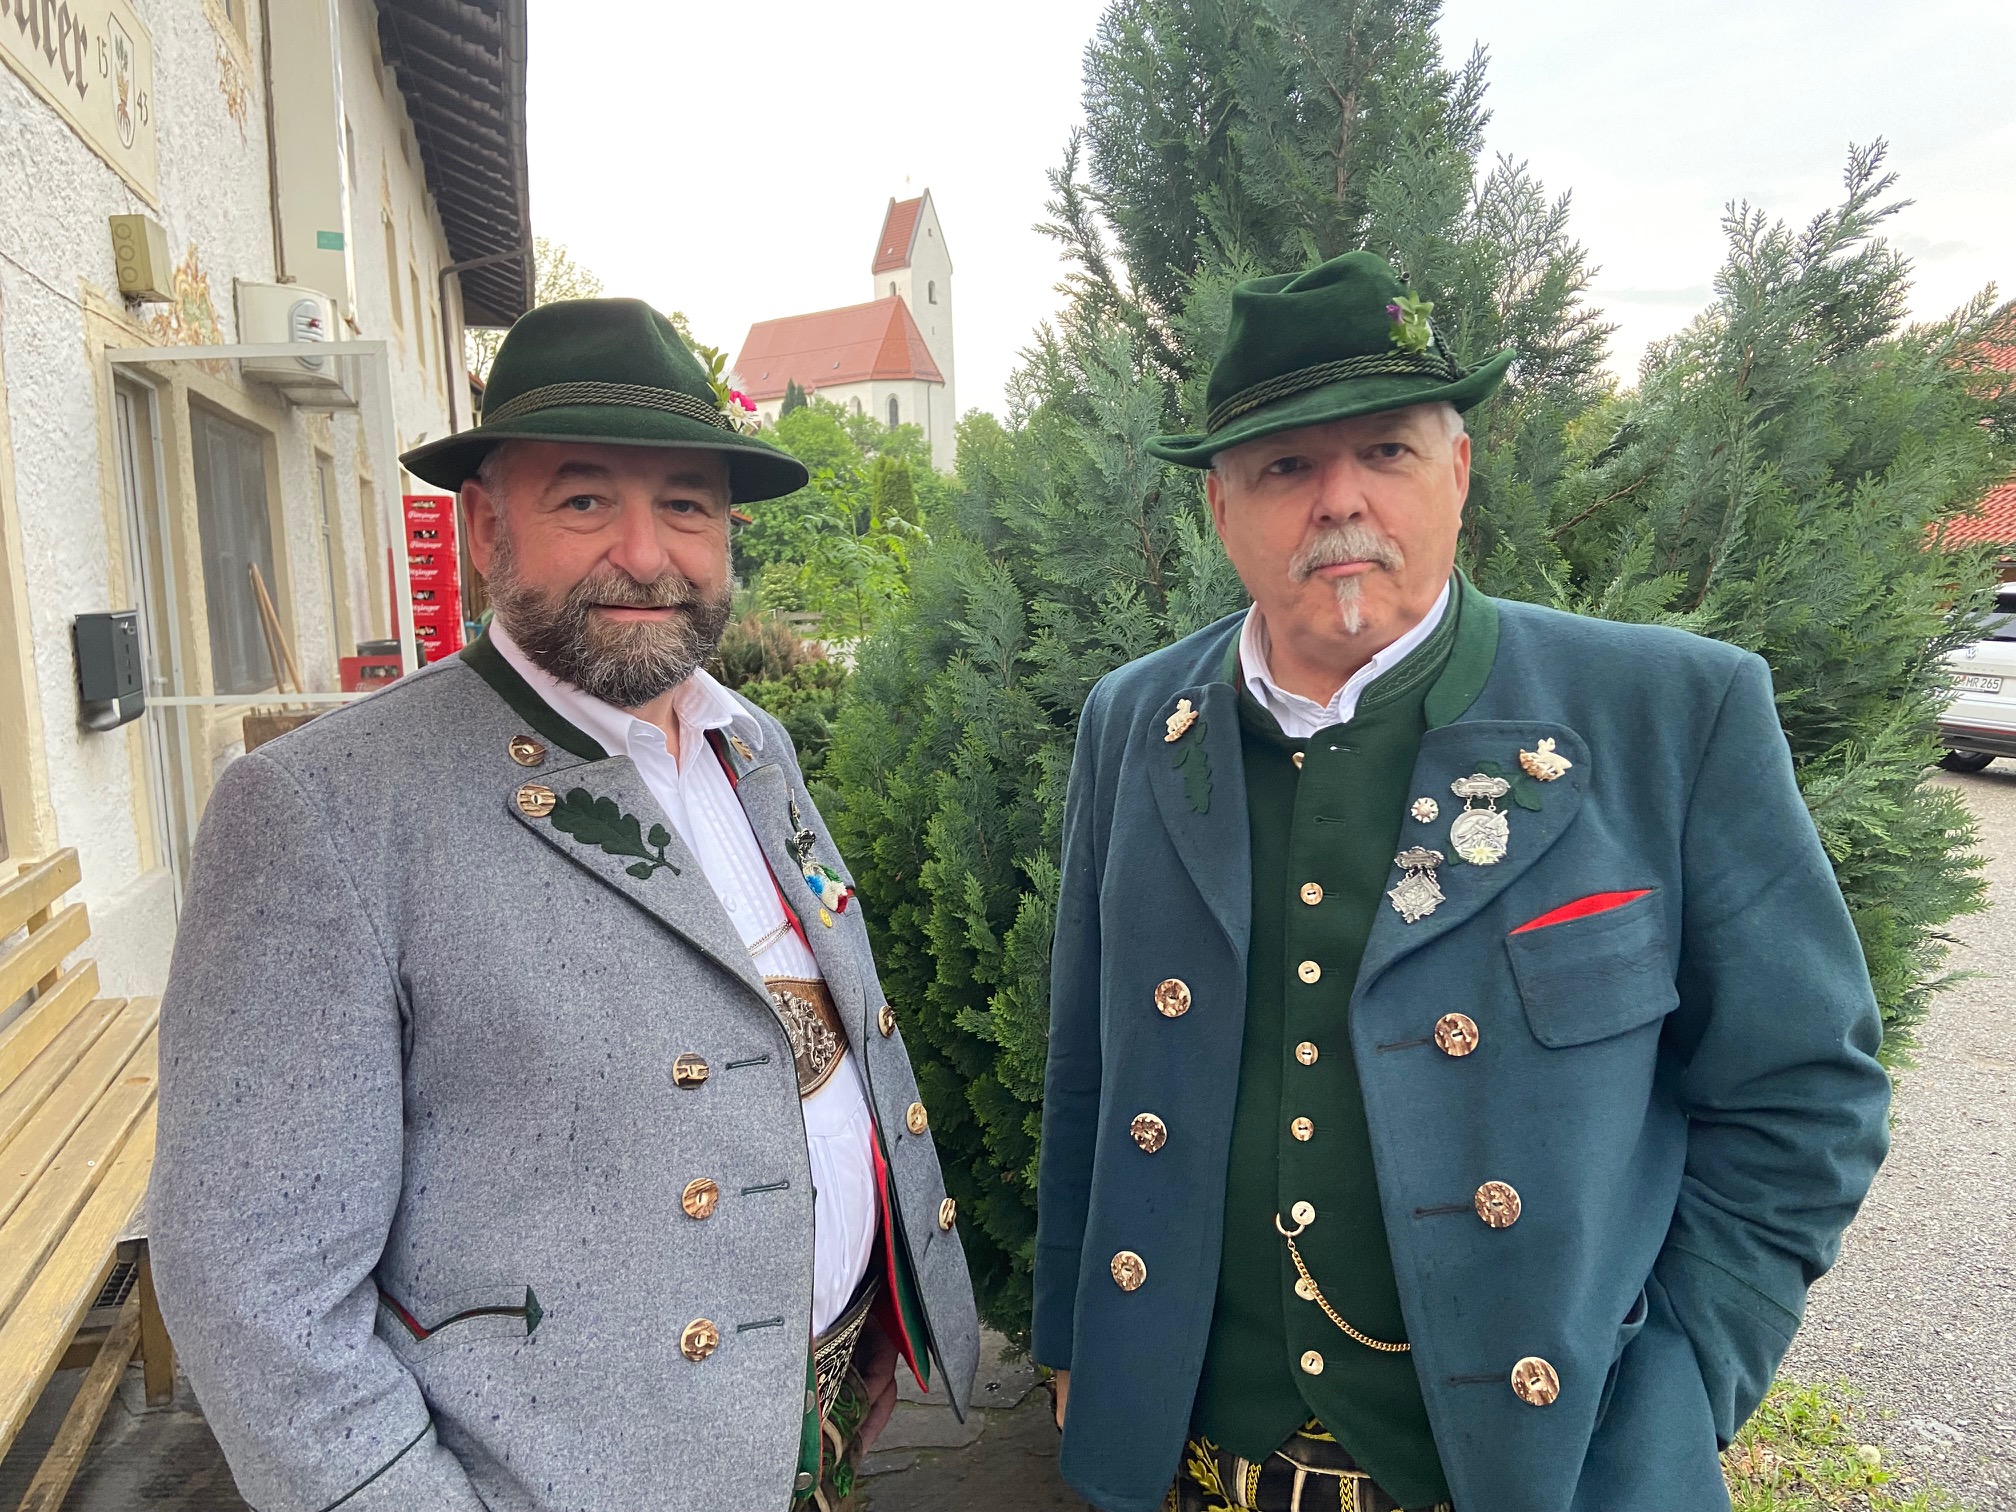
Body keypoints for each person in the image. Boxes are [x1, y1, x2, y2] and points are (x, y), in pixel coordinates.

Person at [1032, 252, 1890, 1512]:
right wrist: (1072, 1338)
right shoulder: (1134, 719)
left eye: (1386, 451)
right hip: (1197, 1463)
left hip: (1549, 1469)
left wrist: (1687, 1378)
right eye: (1285, 466)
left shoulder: (1669, 711)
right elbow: (1089, 1067)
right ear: (1220, 507)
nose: (1341, 500)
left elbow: (1804, 1094)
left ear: (1459, 472)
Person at [150, 298, 979, 1512]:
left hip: (820, 1430)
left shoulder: (750, 742)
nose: (645, 554)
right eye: (585, 501)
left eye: (686, 505)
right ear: (486, 525)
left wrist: (865, 1320)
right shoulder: (323, 810)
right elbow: (255, 1295)